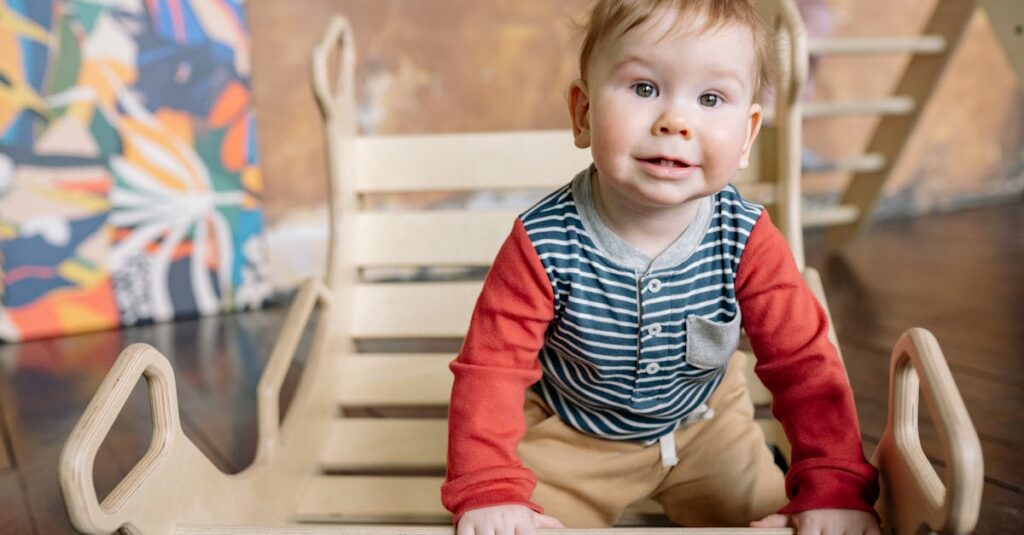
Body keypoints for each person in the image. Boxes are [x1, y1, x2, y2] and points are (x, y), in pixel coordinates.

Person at [442, 1, 880, 533]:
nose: (676, 121)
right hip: (576, 435)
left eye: (711, 98)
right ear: (583, 114)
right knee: (515, 525)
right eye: (644, 88)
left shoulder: (746, 240)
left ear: (745, 136)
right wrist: (489, 486)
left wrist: (831, 483)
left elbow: (804, 363)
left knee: (789, 522)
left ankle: (765, 478)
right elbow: (493, 367)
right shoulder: (543, 242)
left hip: (708, 428)